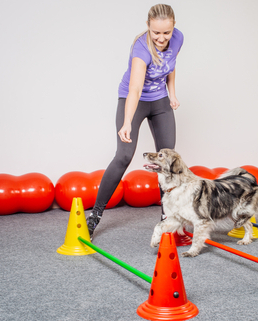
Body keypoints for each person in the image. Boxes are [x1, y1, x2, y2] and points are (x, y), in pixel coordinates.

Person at [86, 4, 183, 240]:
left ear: (173, 28)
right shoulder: (140, 49)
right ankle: (94, 216)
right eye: (156, 33)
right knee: (124, 155)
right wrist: (127, 121)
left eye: (166, 33)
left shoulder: (178, 38)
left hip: (160, 102)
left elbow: (171, 66)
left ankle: (167, 220)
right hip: (135, 100)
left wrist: (172, 93)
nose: (161, 38)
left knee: (168, 158)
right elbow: (135, 88)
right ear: (148, 27)